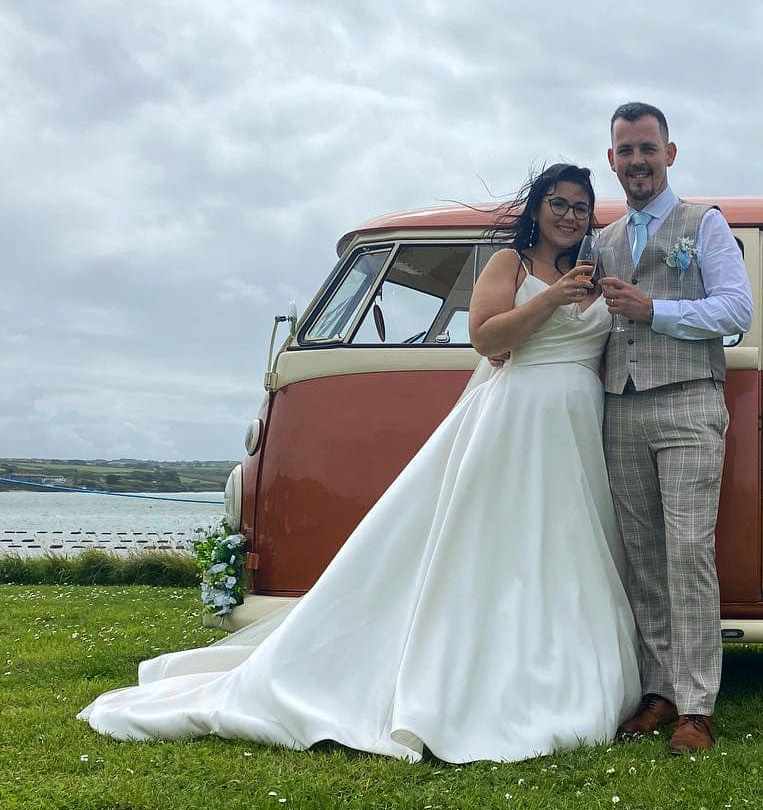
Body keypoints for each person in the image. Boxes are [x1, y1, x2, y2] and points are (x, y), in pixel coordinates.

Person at [78, 164, 640, 764]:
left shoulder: (596, 273)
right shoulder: (511, 265)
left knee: (564, 544)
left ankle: (560, 657)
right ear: (538, 207)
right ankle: (481, 668)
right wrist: (554, 297)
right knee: (499, 544)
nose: (571, 215)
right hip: (517, 420)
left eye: (582, 207)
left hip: (577, 425)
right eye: (560, 203)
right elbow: (488, 340)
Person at [595, 102, 753, 754]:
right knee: (641, 552)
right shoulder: (601, 240)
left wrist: (653, 308)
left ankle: (697, 703)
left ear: (670, 153)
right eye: (625, 150)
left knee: (689, 551)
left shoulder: (703, 224)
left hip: (689, 402)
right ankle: (658, 691)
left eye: (647, 148)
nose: (637, 160)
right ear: (612, 159)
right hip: (619, 405)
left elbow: (736, 308)